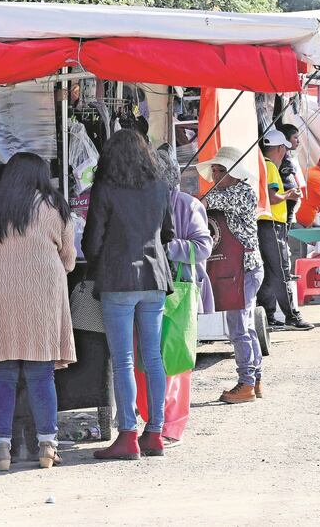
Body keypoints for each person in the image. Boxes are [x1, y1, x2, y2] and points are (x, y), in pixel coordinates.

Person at [0, 152, 77, 471]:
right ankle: (47, 447)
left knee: (1, 375)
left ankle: (1, 449)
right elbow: (69, 259)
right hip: (40, 297)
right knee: (40, 373)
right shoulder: (55, 208)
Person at [83, 130, 175, 460]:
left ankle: (127, 436)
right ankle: (155, 434)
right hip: (154, 277)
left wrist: (100, 259)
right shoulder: (158, 187)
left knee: (123, 360)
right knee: (152, 357)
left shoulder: (105, 189)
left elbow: (92, 242)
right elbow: (168, 232)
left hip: (118, 279)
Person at [133, 148, 214, 446]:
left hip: (177, 291)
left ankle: (170, 424)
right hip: (146, 287)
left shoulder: (187, 206)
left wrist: (165, 248)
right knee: (146, 357)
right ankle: (152, 418)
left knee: (174, 360)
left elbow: (203, 247)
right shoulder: (140, 204)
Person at [199, 146, 266, 404]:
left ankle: (247, 382)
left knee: (239, 326)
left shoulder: (242, 193)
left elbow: (210, 203)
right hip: (235, 270)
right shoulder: (223, 192)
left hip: (244, 269)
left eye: (221, 170)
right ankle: (255, 378)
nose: (215, 175)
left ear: (235, 172)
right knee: (244, 326)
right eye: (214, 170)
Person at [257, 129, 313, 330]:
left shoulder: (262, 164)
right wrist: (289, 195)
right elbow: (272, 197)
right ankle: (291, 315)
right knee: (281, 269)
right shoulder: (271, 167)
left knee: (269, 271)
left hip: (265, 222)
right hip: (272, 222)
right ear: (280, 149)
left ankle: (268, 313)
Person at [277, 124, 305, 226]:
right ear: (286, 138)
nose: (298, 141)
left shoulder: (288, 155)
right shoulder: (279, 156)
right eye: (295, 137)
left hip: (289, 204)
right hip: (282, 205)